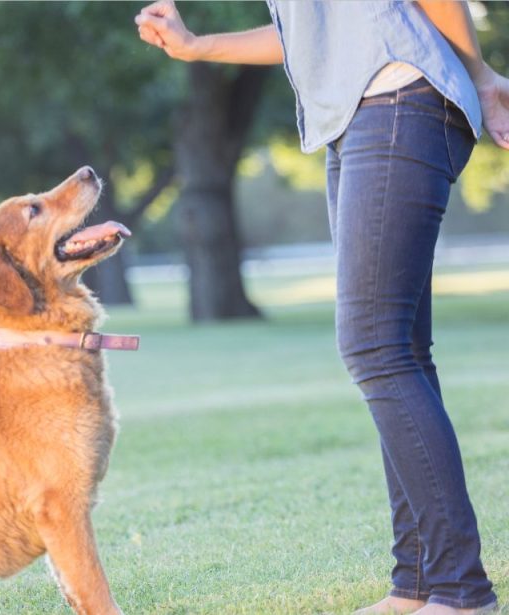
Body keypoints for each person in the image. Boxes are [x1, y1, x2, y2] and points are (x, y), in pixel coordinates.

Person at [134, 2, 508, 614]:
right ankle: (416, 584)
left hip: (399, 96)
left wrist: (482, 73)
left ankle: (463, 591)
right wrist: (196, 46)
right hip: (361, 116)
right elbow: (305, 36)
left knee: (373, 347)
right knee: (400, 351)